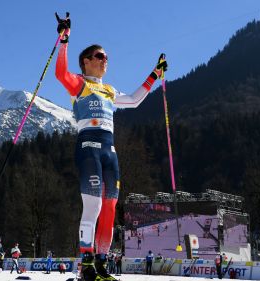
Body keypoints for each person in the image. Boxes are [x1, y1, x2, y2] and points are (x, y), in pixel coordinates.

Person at [55, 13, 167, 281]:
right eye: (100, 56)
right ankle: (87, 265)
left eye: (106, 57)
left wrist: (155, 74)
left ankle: (102, 264)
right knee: (92, 207)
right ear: (87, 61)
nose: (106, 60)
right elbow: (60, 73)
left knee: (110, 209)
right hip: (89, 149)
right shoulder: (79, 84)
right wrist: (64, 39)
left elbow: (135, 100)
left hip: (110, 153)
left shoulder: (109, 91)